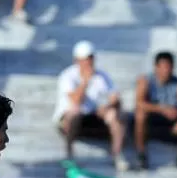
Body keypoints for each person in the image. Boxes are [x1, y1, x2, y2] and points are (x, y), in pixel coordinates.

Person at [52, 40, 127, 170]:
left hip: (92, 116)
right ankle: (69, 155)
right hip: (69, 119)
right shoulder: (67, 76)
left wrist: (107, 106)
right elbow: (75, 100)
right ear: (77, 60)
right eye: (86, 59)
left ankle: (117, 154)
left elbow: (116, 99)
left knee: (114, 115)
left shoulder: (102, 76)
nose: (89, 62)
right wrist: (85, 81)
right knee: (74, 113)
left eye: (91, 58)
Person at [133, 51, 177, 170]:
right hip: (151, 123)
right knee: (140, 114)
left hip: (171, 125)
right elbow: (139, 103)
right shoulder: (145, 81)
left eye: (169, 67)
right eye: (163, 67)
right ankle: (141, 154)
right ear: (156, 67)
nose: (166, 71)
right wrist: (161, 109)